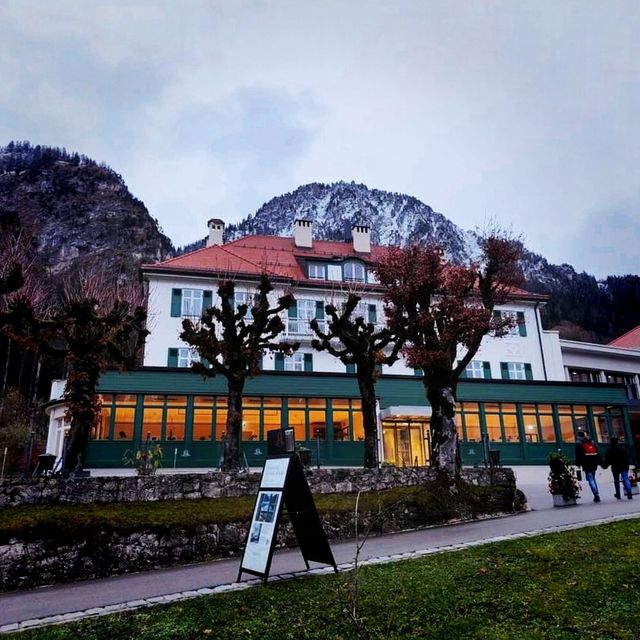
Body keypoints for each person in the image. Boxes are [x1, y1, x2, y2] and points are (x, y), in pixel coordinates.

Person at [575, 431, 602, 502]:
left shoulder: (579, 444)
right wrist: (601, 462)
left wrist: (578, 464)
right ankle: (597, 493)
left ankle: (596, 494)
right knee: (593, 478)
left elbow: (578, 455)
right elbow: (598, 453)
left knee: (590, 479)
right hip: (594, 463)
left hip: (586, 463)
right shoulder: (592, 443)